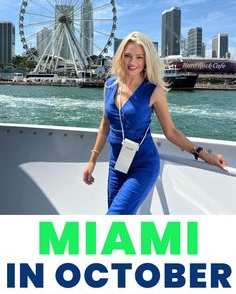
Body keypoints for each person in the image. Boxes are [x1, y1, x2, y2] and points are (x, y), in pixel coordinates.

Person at [83, 31, 227, 215]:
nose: (132, 62)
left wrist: (206, 155)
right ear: (120, 56)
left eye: (138, 57)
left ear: (146, 60)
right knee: (117, 220)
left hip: (144, 165)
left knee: (114, 217)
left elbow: (171, 132)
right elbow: (105, 126)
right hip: (117, 164)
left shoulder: (154, 91)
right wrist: (92, 161)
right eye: (127, 55)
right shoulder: (110, 85)